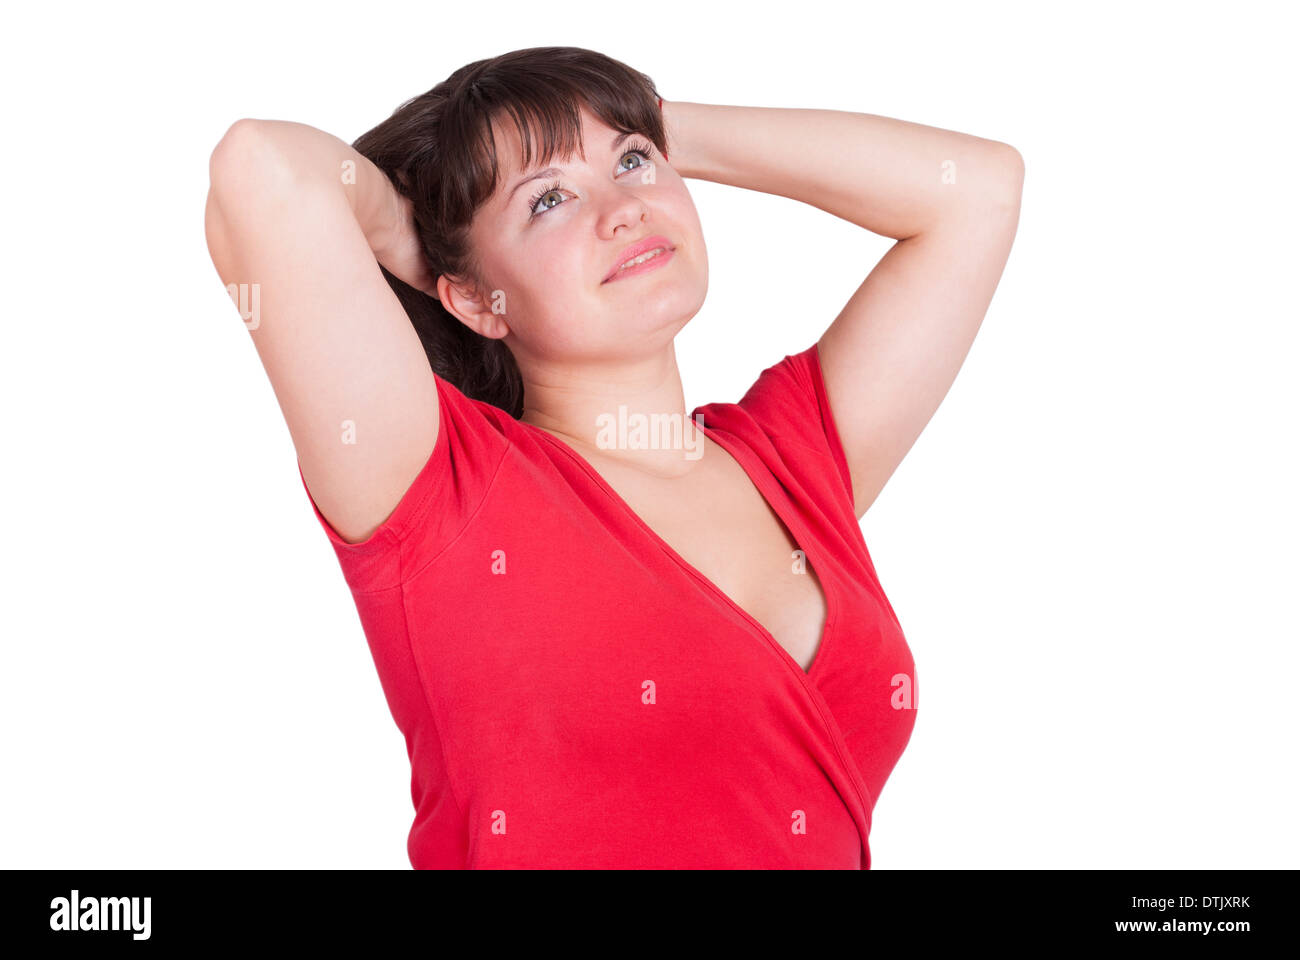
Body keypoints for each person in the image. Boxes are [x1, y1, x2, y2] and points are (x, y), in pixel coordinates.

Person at [203, 45, 1023, 869]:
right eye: (549, 199)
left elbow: (979, 190)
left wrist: (661, 125)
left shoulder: (793, 456)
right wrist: (404, 236)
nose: (623, 208)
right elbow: (261, 170)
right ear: (474, 298)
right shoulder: (443, 489)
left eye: (633, 162)